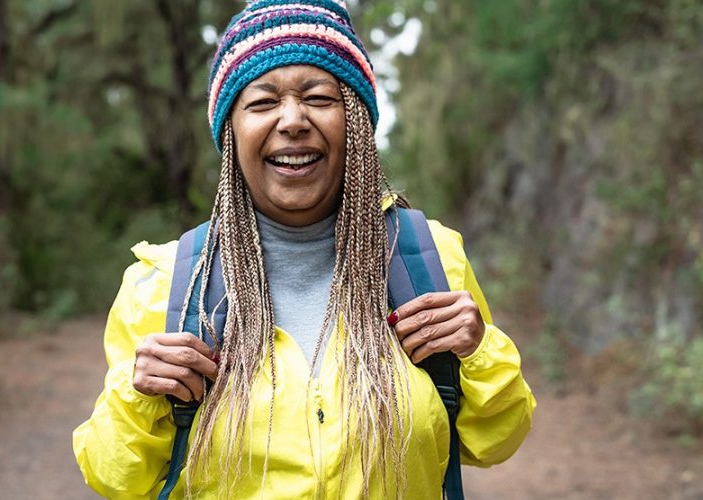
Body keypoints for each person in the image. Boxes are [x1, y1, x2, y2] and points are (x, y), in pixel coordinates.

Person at [73, 1, 535, 498]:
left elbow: (495, 441)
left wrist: (478, 349)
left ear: (355, 124)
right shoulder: (166, 285)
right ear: (231, 133)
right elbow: (115, 479)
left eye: (318, 97)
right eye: (262, 102)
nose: (292, 120)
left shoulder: (426, 260)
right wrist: (138, 396)